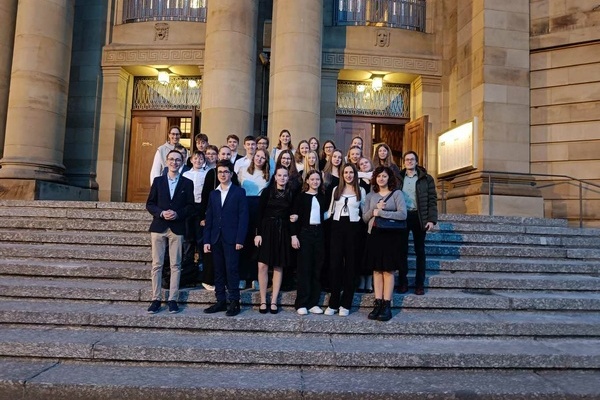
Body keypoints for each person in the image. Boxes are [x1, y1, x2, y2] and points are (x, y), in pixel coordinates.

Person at [146, 149, 195, 314]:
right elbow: (150, 204)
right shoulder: (158, 181)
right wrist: (161, 213)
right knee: (157, 264)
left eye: (178, 160)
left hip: (177, 227)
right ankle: (156, 299)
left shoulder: (187, 183)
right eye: (172, 159)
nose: (174, 162)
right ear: (167, 162)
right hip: (159, 226)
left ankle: (173, 299)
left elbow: (190, 206)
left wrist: (177, 214)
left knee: (176, 264)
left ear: (182, 163)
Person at [203, 160, 249, 317]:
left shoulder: (239, 192)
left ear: (231, 174)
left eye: (226, 172)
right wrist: (207, 240)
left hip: (232, 239)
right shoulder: (213, 194)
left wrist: (240, 239)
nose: (223, 174)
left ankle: (235, 302)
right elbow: (209, 218)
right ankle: (221, 301)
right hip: (215, 238)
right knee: (218, 270)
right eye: (220, 172)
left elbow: (243, 217)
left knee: (232, 270)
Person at [362, 166, 407, 321]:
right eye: (379, 176)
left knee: (388, 270)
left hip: (391, 236)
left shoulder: (397, 194)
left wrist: (382, 212)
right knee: (377, 270)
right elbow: (365, 218)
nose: (381, 179)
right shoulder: (370, 195)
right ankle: (378, 302)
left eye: (384, 176)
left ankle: (387, 305)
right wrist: (375, 208)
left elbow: (403, 214)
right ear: (375, 178)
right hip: (374, 235)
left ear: (389, 178)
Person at [324, 163, 366, 317]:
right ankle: (333, 302)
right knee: (335, 265)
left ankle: (346, 303)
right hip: (337, 227)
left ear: (355, 174)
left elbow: (364, 211)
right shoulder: (336, 189)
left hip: (354, 229)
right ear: (342, 175)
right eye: (346, 172)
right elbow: (330, 210)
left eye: (351, 172)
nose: (348, 175)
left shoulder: (361, 190)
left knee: (350, 266)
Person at [198, 146, 240, 291]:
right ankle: (211, 283)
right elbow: (205, 197)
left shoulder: (234, 180)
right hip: (213, 220)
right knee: (213, 258)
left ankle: (231, 293)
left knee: (229, 264)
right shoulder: (212, 175)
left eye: (228, 154)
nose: (225, 156)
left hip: (229, 226)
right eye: (223, 153)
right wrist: (203, 217)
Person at [254, 166, 294, 314]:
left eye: (285, 176)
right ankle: (263, 300)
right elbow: (259, 214)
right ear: (275, 177)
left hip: (282, 231)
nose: (282, 178)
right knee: (262, 265)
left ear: (288, 178)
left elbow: (292, 214)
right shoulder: (267, 192)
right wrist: (258, 233)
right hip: (266, 230)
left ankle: (274, 300)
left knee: (278, 265)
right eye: (280, 175)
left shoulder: (291, 193)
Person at [398, 151, 438, 295]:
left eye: (412, 159)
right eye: (407, 160)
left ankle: (419, 284)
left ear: (416, 162)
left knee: (420, 251)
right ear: (404, 162)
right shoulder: (398, 178)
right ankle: (402, 283)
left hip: (419, 217)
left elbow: (432, 199)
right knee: (401, 251)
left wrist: (431, 220)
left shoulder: (426, 178)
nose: (409, 162)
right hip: (403, 216)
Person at [291, 169, 328, 315]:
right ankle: (301, 303)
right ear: (307, 181)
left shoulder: (323, 197)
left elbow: (326, 215)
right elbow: (294, 217)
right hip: (305, 233)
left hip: (319, 234)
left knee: (317, 268)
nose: (315, 182)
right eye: (312, 179)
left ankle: (313, 303)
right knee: (304, 268)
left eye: (317, 179)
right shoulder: (301, 197)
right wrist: (294, 236)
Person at [238, 149, 270, 290]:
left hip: (260, 208)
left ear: (266, 160)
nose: (259, 159)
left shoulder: (268, 174)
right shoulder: (242, 170)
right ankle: (242, 276)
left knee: (257, 243)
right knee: (244, 241)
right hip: (245, 206)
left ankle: (255, 277)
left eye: (263, 157)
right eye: (257, 156)